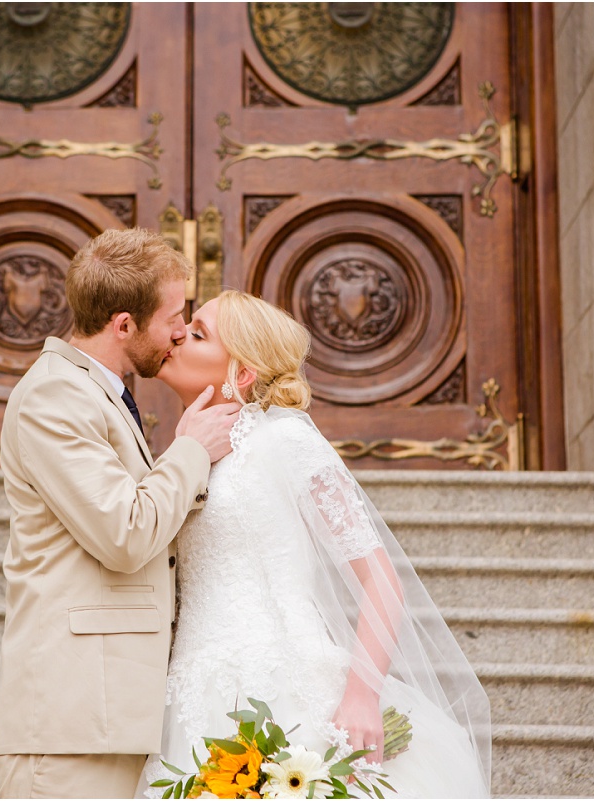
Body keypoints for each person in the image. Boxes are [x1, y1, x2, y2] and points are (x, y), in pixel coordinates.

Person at [139, 291, 492, 798]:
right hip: (191, 693)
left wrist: (362, 695)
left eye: (197, 333)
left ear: (241, 374)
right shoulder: (184, 455)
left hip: (287, 685)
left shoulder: (287, 441)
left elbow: (380, 578)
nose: (176, 336)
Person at [0, 228, 241, 799]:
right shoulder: (54, 397)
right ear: (124, 325)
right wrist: (193, 449)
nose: (180, 331)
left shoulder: (96, 392)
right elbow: (124, 534)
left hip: (111, 718)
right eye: (174, 316)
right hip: (68, 734)